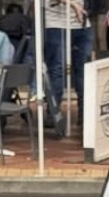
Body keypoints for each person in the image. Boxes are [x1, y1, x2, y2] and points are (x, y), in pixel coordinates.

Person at [43, 0, 92, 131]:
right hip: (56, 24)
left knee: (85, 71)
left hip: (81, 24)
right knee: (57, 70)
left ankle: (85, 114)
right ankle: (53, 114)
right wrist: (73, 4)